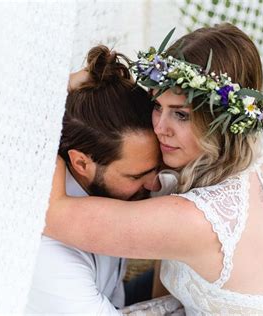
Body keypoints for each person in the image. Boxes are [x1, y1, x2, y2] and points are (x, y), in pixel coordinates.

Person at [45, 23, 263, 315]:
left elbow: (52, 213)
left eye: (181, 114)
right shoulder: (258, 167)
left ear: (222, 123)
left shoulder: (191, 219)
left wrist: (58, 112)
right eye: (158, 105)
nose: (159, 127)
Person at [25, 45, 161, 314]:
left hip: (116, 298)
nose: (155, 185)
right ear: (81, 163)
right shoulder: (51, 257)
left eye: (157, 168)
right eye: (136, 176)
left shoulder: (106, 186)